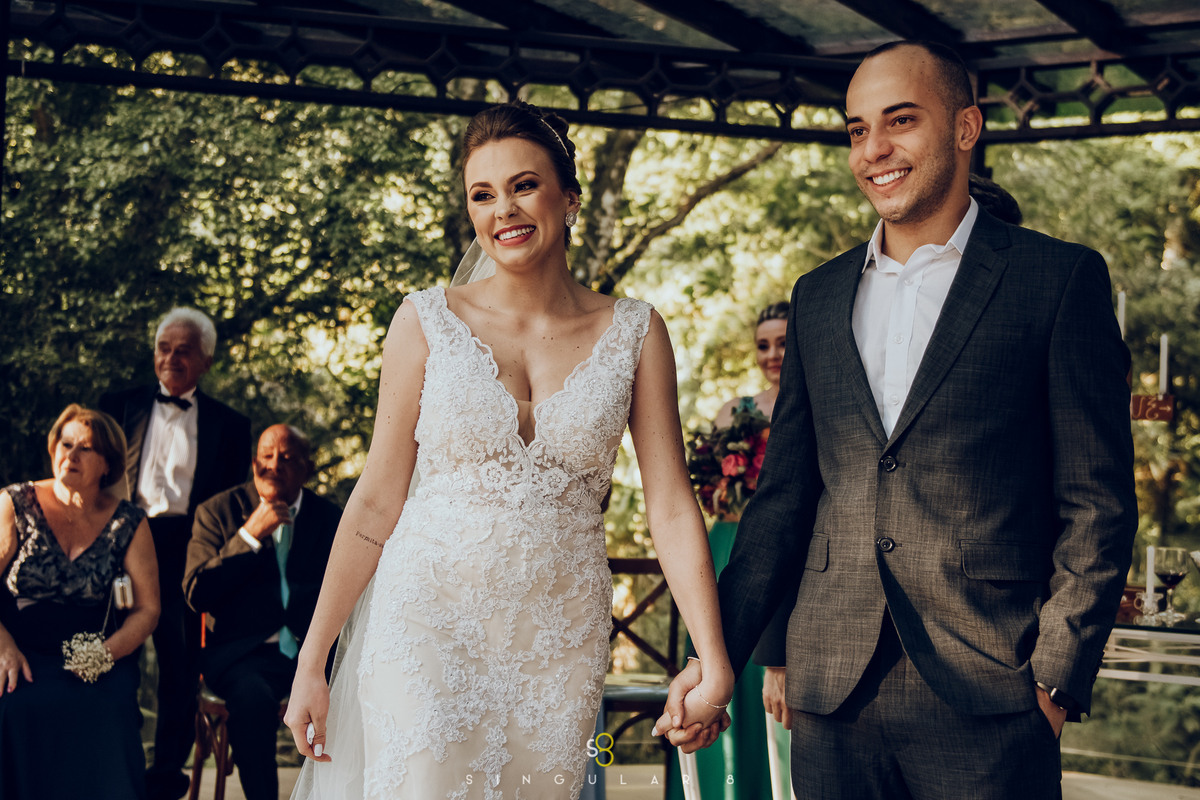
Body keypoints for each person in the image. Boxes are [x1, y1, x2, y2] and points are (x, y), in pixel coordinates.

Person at [660, 40, 1136, 799]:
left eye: (900, 121)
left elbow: (1099, 502)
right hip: (832, 696)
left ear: (966, 128)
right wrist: (714, 656)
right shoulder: (817, 296)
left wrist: (1054, 681)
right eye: (856, 129)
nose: (874, 150)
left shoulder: (1058, 279)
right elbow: (783, 503)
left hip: (993, 690)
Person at [284, 100, 732, 800]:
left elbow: (671, 506)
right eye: (482, 195)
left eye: (524, 185)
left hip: (558, 635)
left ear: (570, 198)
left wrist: (712, 655)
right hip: (426, 615)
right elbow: (375, 499)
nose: (504, 211)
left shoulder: (637, 332)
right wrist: (314, 658)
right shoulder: (425, 319)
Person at [100, 307, 252, 800]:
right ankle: (110, 770)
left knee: (179, 669)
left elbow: (231, 504)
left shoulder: (230, 426)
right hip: (120, 549)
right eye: (164, 348)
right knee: (107, 655)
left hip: (185, 555)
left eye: (184, 350)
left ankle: (164, 779)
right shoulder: (116, 406)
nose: (171, 358)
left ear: (205, 360)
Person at [0, 405, 160, 799]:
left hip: (95, 656)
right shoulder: (15, 502)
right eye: (65, 444)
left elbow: (147, 608)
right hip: (19, 651)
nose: (70, 455)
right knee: (15, 708)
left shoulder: (129, 521)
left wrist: (105, 654)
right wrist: (3, 647)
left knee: (110, 713)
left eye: (85, 448)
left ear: (107, 464)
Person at [671, 302, 794, 800]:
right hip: (728, 547)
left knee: (770, 672)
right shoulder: (734, 411)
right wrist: (727, 487)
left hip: (786, 553)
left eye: (783, 342)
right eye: (763, 344)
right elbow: (709, 494)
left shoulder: (816, 403)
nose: (772, 354)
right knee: (720, 658)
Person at [184, 425, 341, 800]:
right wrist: (249, 536)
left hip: (314, 653)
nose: (274, 465)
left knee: (350, 688)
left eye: (287, 458)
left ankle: (328, 792)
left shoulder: (331, 519)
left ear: (308, 467)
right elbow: (196, 593)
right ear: (254, 462)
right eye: (266, 456)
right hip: (242, 656)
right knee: (251, 698)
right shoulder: (216, 512)